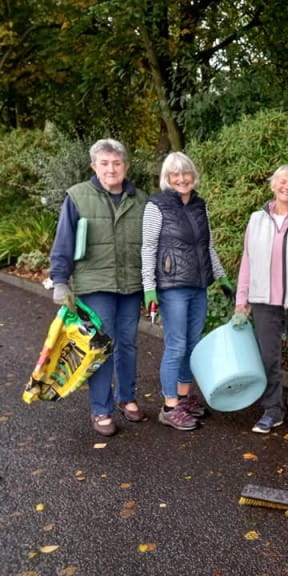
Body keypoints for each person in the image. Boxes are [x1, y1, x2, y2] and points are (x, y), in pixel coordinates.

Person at [49, 138, 148, 436]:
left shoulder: (142, 200)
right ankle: (101, 409)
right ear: (94, 166)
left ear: (126, 167)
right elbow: (64, 240)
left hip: (131, 284)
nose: (111, 169)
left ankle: (126, 397)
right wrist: (60, 281)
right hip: (95, 284)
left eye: (117, 163)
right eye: (104, 163)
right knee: (102, 346)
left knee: (128, 343)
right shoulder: (78, 196)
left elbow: (152, 245)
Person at [141, 152, 234, 431]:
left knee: (193, 346)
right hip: (172, 288)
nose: (182, 179)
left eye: (186, 174)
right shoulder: (156, 206)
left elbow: (208, 246)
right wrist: (149, 289)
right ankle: (169, 407)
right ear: (167, 178)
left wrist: (222, 278)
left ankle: (183, 398)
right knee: (176, 345)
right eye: (175, 175)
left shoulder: (199, 205)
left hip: (198, 285)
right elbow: (148, 248)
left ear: (194, 176)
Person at [231, 164, 288, 436]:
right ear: (272, 186)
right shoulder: (256, 220)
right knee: (268, 359)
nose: (287, 187)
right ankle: (272, 411)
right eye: (282, 181)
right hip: (263, 301)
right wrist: (241, 300)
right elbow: (247, 261)